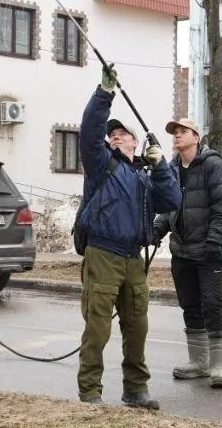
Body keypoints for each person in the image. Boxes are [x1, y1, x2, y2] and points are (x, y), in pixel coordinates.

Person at [76, 64, 181, 409]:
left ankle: (135, 390)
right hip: (103, 253)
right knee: (98, 329)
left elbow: (172, 201)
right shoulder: (100, 164)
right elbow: (90, 131)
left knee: (137, 328)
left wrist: (162, 165)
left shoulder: (145, 176)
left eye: (123, 133)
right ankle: (90, 392)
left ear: (136, 142)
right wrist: (104, 93)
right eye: (113, 134)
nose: (115, 136)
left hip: (133, 258)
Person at [153, 117, 222, 389]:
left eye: (183, 131)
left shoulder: (213, 165)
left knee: (212, 304)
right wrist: (156, 230)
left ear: (196, 137)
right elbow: (168, 206)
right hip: (182, 251)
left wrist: (215, 240)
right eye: (174, 132)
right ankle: (199, 362)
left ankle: (218, 365)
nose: (177, 136)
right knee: (190, 305)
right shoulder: (173, 168)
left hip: (207, 250)